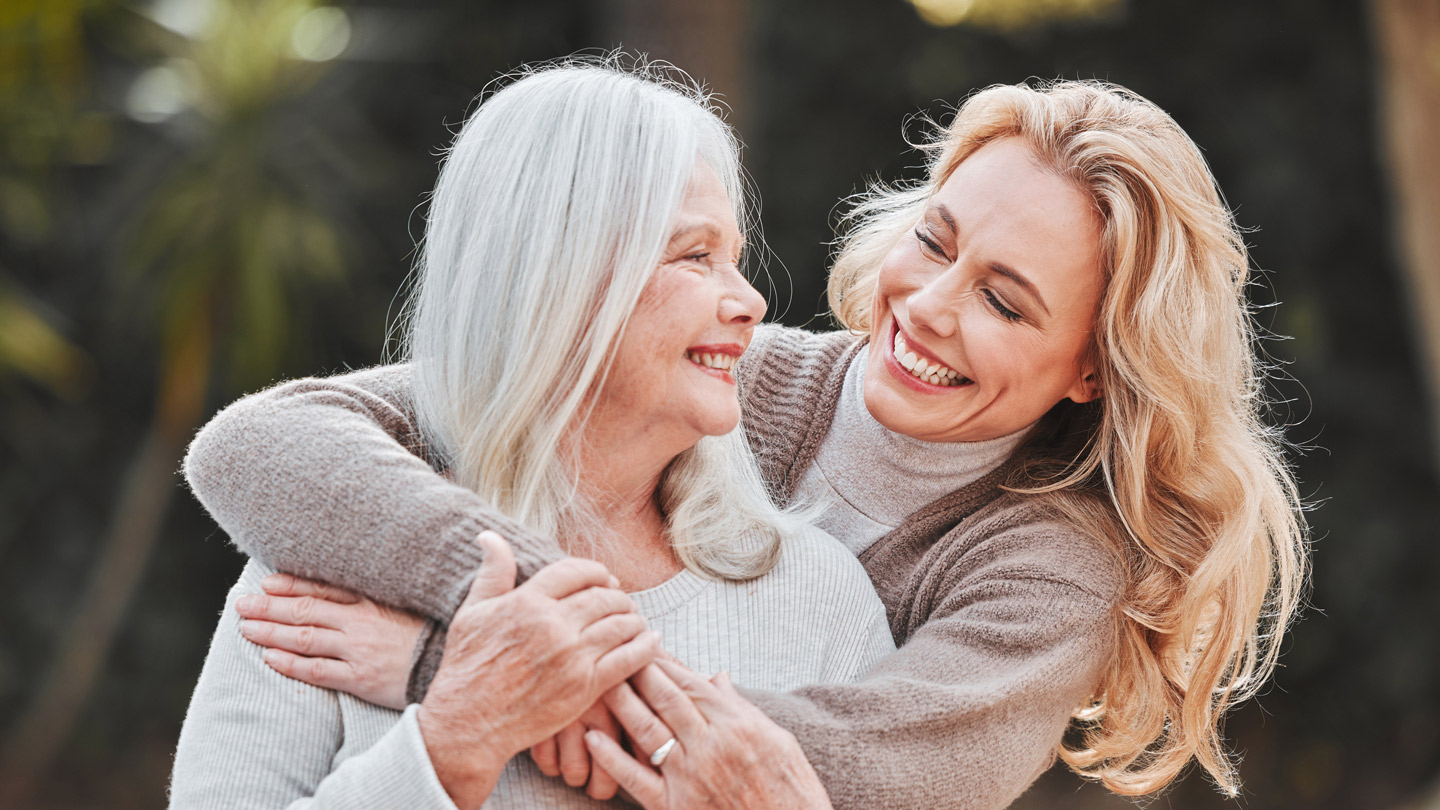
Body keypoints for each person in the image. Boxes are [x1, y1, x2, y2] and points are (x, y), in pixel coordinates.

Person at [185, 78, 1309, 808]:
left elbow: (851, 776)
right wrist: (518, 615)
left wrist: (459, 675)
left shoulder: (1048, 574)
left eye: (1007, 305)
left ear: (1093, 367)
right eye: (934, 240)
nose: (925, 307)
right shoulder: (733, 376)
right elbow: (269, 441)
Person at [168, 59, 896, 810]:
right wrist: (457, 738)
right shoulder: (331, 560)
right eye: (693, 256)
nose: (751, 300)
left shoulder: (814, 593)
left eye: (734, 259)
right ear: (560, 278)